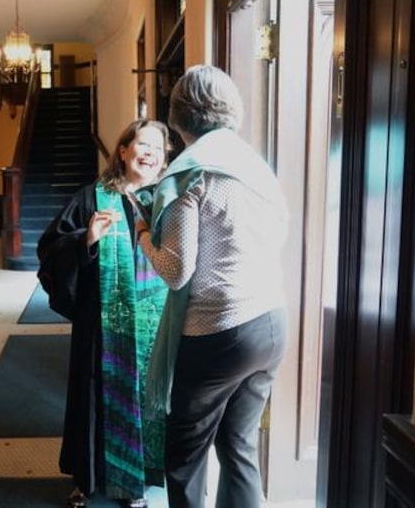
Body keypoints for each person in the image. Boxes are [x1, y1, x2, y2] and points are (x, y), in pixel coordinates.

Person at [138, 65, 289, 508]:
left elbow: (176, 270)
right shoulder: (255, 165)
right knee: (239, 448)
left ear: (178, 116)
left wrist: (145, 236)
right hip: (272, 323)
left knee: (184, 456)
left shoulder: (191, 173)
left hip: (219, 333)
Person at [37, 119, 171, 508]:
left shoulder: (167, 203)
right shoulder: (93, 198)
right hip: (102, 325)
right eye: (141, 145)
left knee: (145, 401)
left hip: (152, 328)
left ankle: (135, 483)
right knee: (93, 398)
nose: (148, 153)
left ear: (164, 160)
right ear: (123, 150)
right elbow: (50, 247)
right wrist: (86, 240)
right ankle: (86, 479)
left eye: (157, 149)